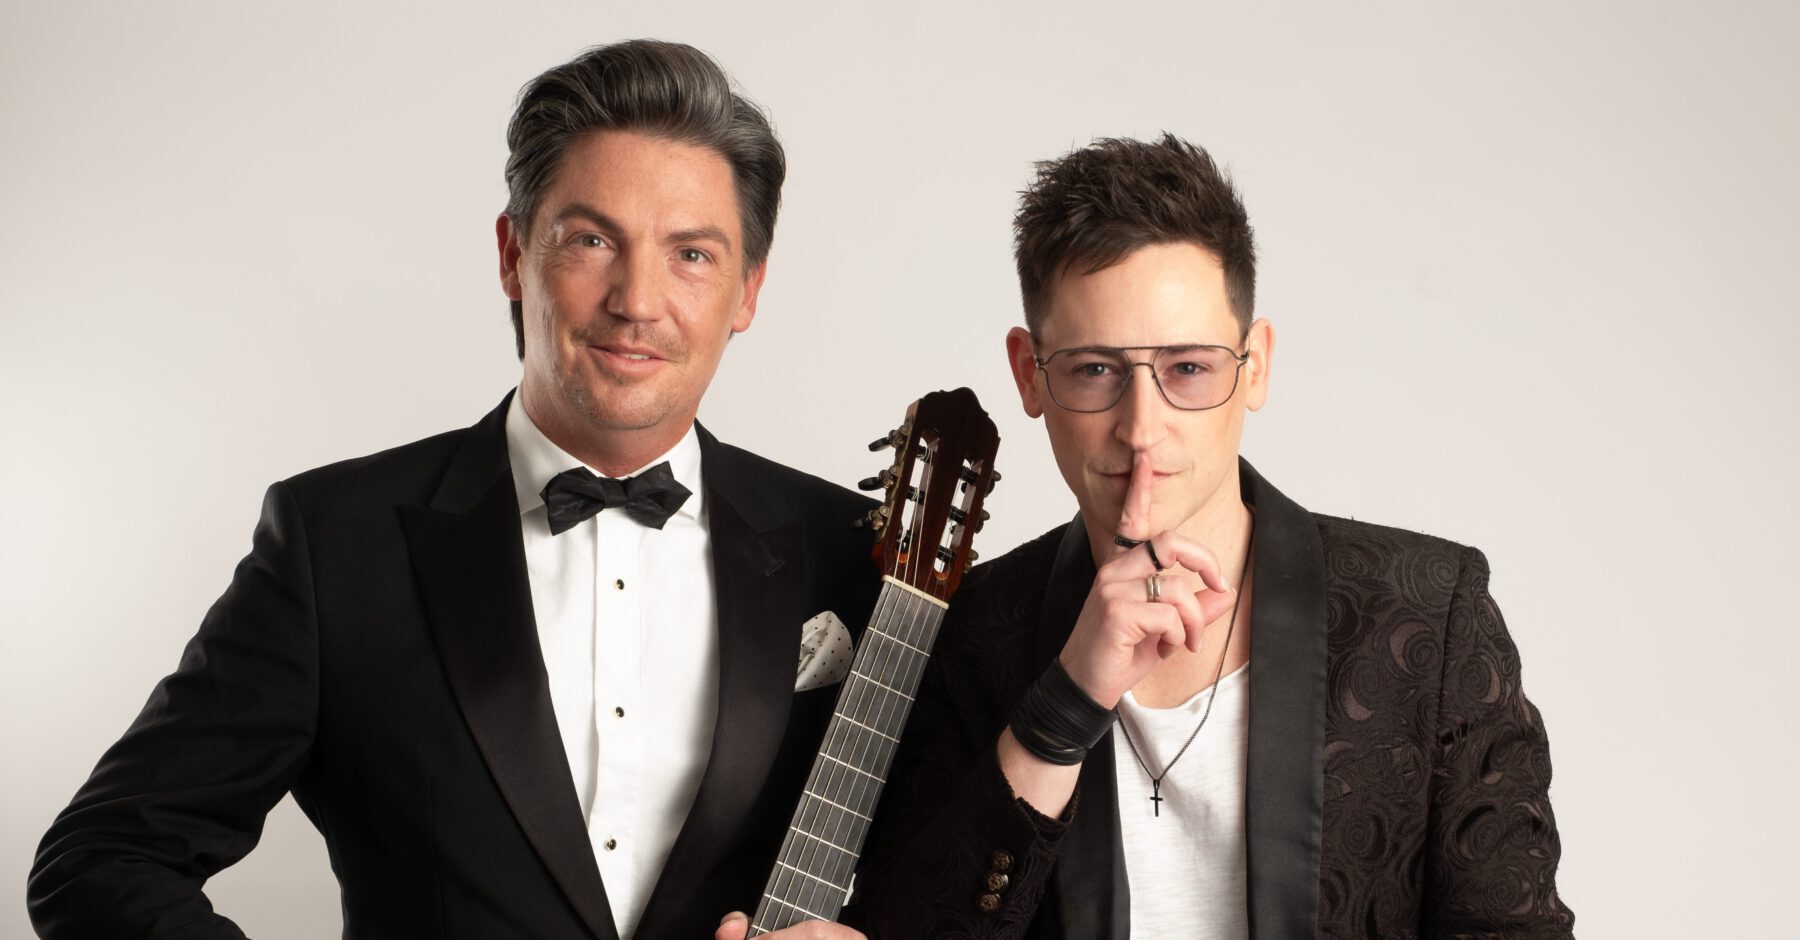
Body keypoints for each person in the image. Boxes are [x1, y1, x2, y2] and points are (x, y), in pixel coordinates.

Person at [29, 40, 875, 940]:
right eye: (592, 240)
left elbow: (948, 876)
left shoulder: (858, 548)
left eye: (692, 254)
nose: (637, 300)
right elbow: (103, 861)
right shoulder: (335, 543)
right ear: (513, 254)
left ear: (747, 291)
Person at [845, 135, 1576, 938]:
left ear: (1254, 366)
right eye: (1094, 370)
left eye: (1188, 369)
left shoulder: (1426, 618)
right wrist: (1062, 710)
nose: (1141, 428)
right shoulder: (969, 635)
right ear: (1029, 373)